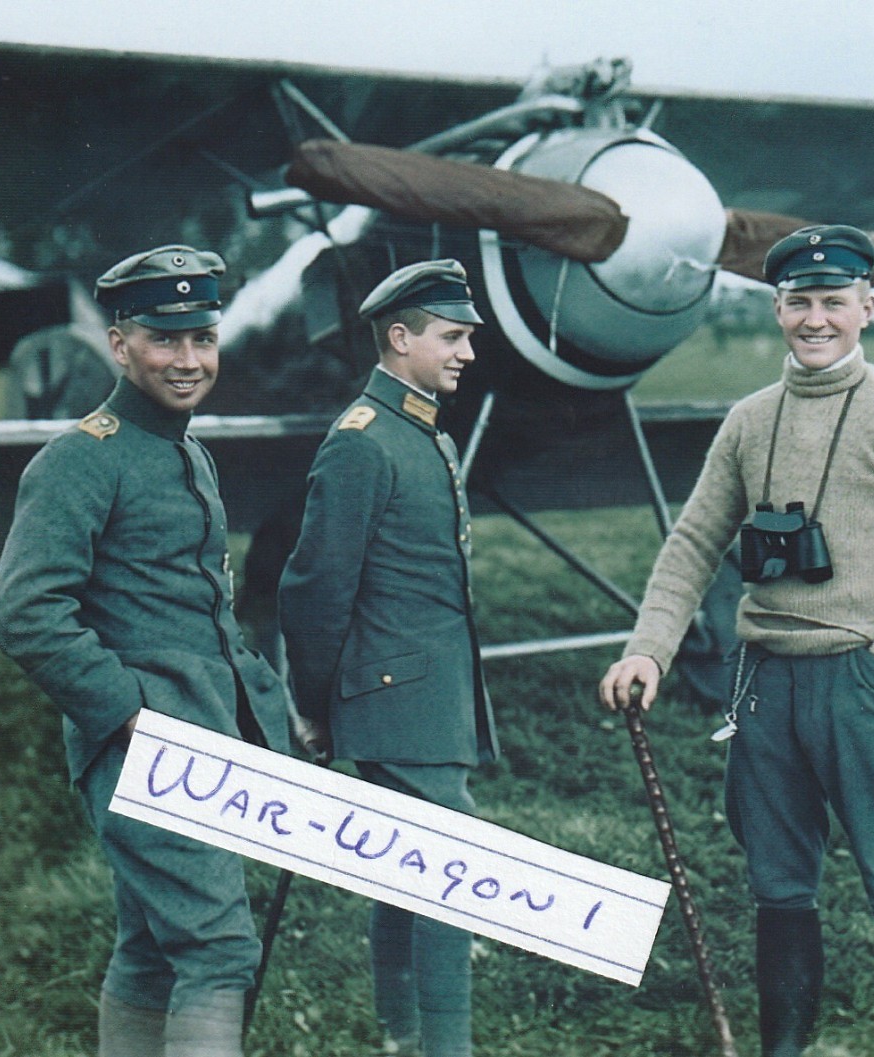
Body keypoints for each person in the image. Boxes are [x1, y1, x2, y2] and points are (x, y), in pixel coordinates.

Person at [599, 225, 874, 1057]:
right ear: (777, 309)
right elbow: (693, 543)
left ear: (867, 307)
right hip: (764, 684)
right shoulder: (748, 421)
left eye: (833, 302)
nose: (816, 319)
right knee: (777, 883)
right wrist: (649, 648)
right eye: (799, 302)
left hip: (866, 684)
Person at [0, 245, 292, 1057]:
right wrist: (129, 713)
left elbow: (204, 612)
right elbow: (23, 612)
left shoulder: (188, 451)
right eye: (164, 339)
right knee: (217, 947)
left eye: (203, 338)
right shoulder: (80, 459)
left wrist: (266, 711)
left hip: (198, 739)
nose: (188, 360)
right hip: (146, 750)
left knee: (154, 944)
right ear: (119, 345)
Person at [277, 259, 497, 1057]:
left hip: (426, 695)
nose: (467, 351)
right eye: (452, 336)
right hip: (396, 699)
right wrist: (314, 706)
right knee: (449, 868)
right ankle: (443, 1046)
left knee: (408, 866)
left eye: (467, 336)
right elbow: (314, 589)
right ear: (400, 338)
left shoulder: (420, 429)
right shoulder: (364, 442)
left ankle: (402, 1034)